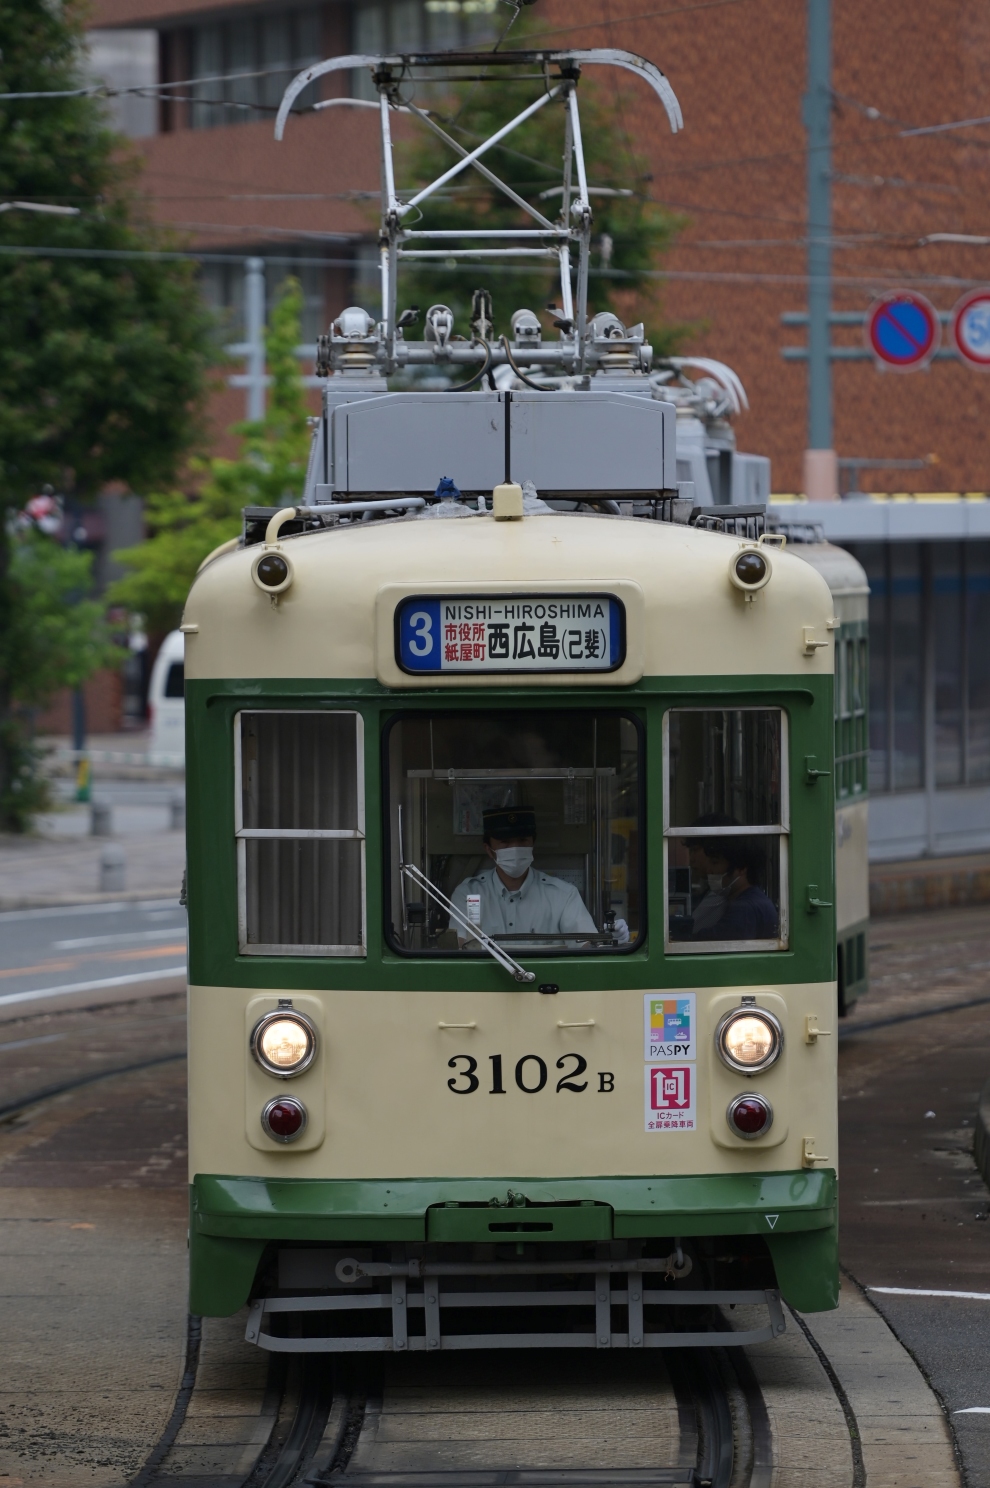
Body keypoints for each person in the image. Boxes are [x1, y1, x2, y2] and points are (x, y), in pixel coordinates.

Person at [450, 807, 604, 945]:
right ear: (489, 850)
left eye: (523, 840)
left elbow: (586, 946)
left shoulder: (563, 895)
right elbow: (460, 945)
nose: (515, 848)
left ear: (532, 845)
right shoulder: (468, 893)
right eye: (505, 842)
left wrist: (609, 939)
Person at [681, 814, 778, 941]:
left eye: (715, 863)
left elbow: (714, 942)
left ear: (741, 868)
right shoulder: (744, 899)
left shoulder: (745, 908)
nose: (710, 870)